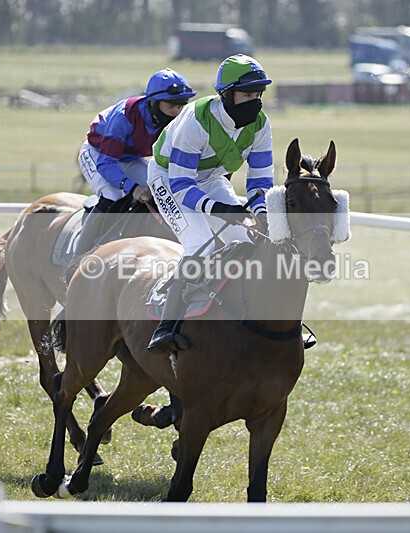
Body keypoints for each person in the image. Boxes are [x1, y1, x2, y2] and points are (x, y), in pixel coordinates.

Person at [146, 54, 274, 354]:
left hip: (211, 178)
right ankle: (166, 326)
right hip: (169, 177)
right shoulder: (197, 119)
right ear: (226, 94)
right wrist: (221, 210)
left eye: (258, 94)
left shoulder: (260, 125)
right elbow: (181, 185)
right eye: (247, 94)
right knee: (201, 242)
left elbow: (260, 183)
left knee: (243, 240)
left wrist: (262, 213)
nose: (254, 101)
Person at [71, 68, 197, 263]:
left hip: (130, 158)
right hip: (98, 154)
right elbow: (106, 163)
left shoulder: (175, 122)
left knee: (161, 190)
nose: (177, 112)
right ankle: (78, 258)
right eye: (171, 105)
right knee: (111, 195)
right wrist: (131, 187)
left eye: (181, 106)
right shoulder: (125, 116)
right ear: (153, 103)